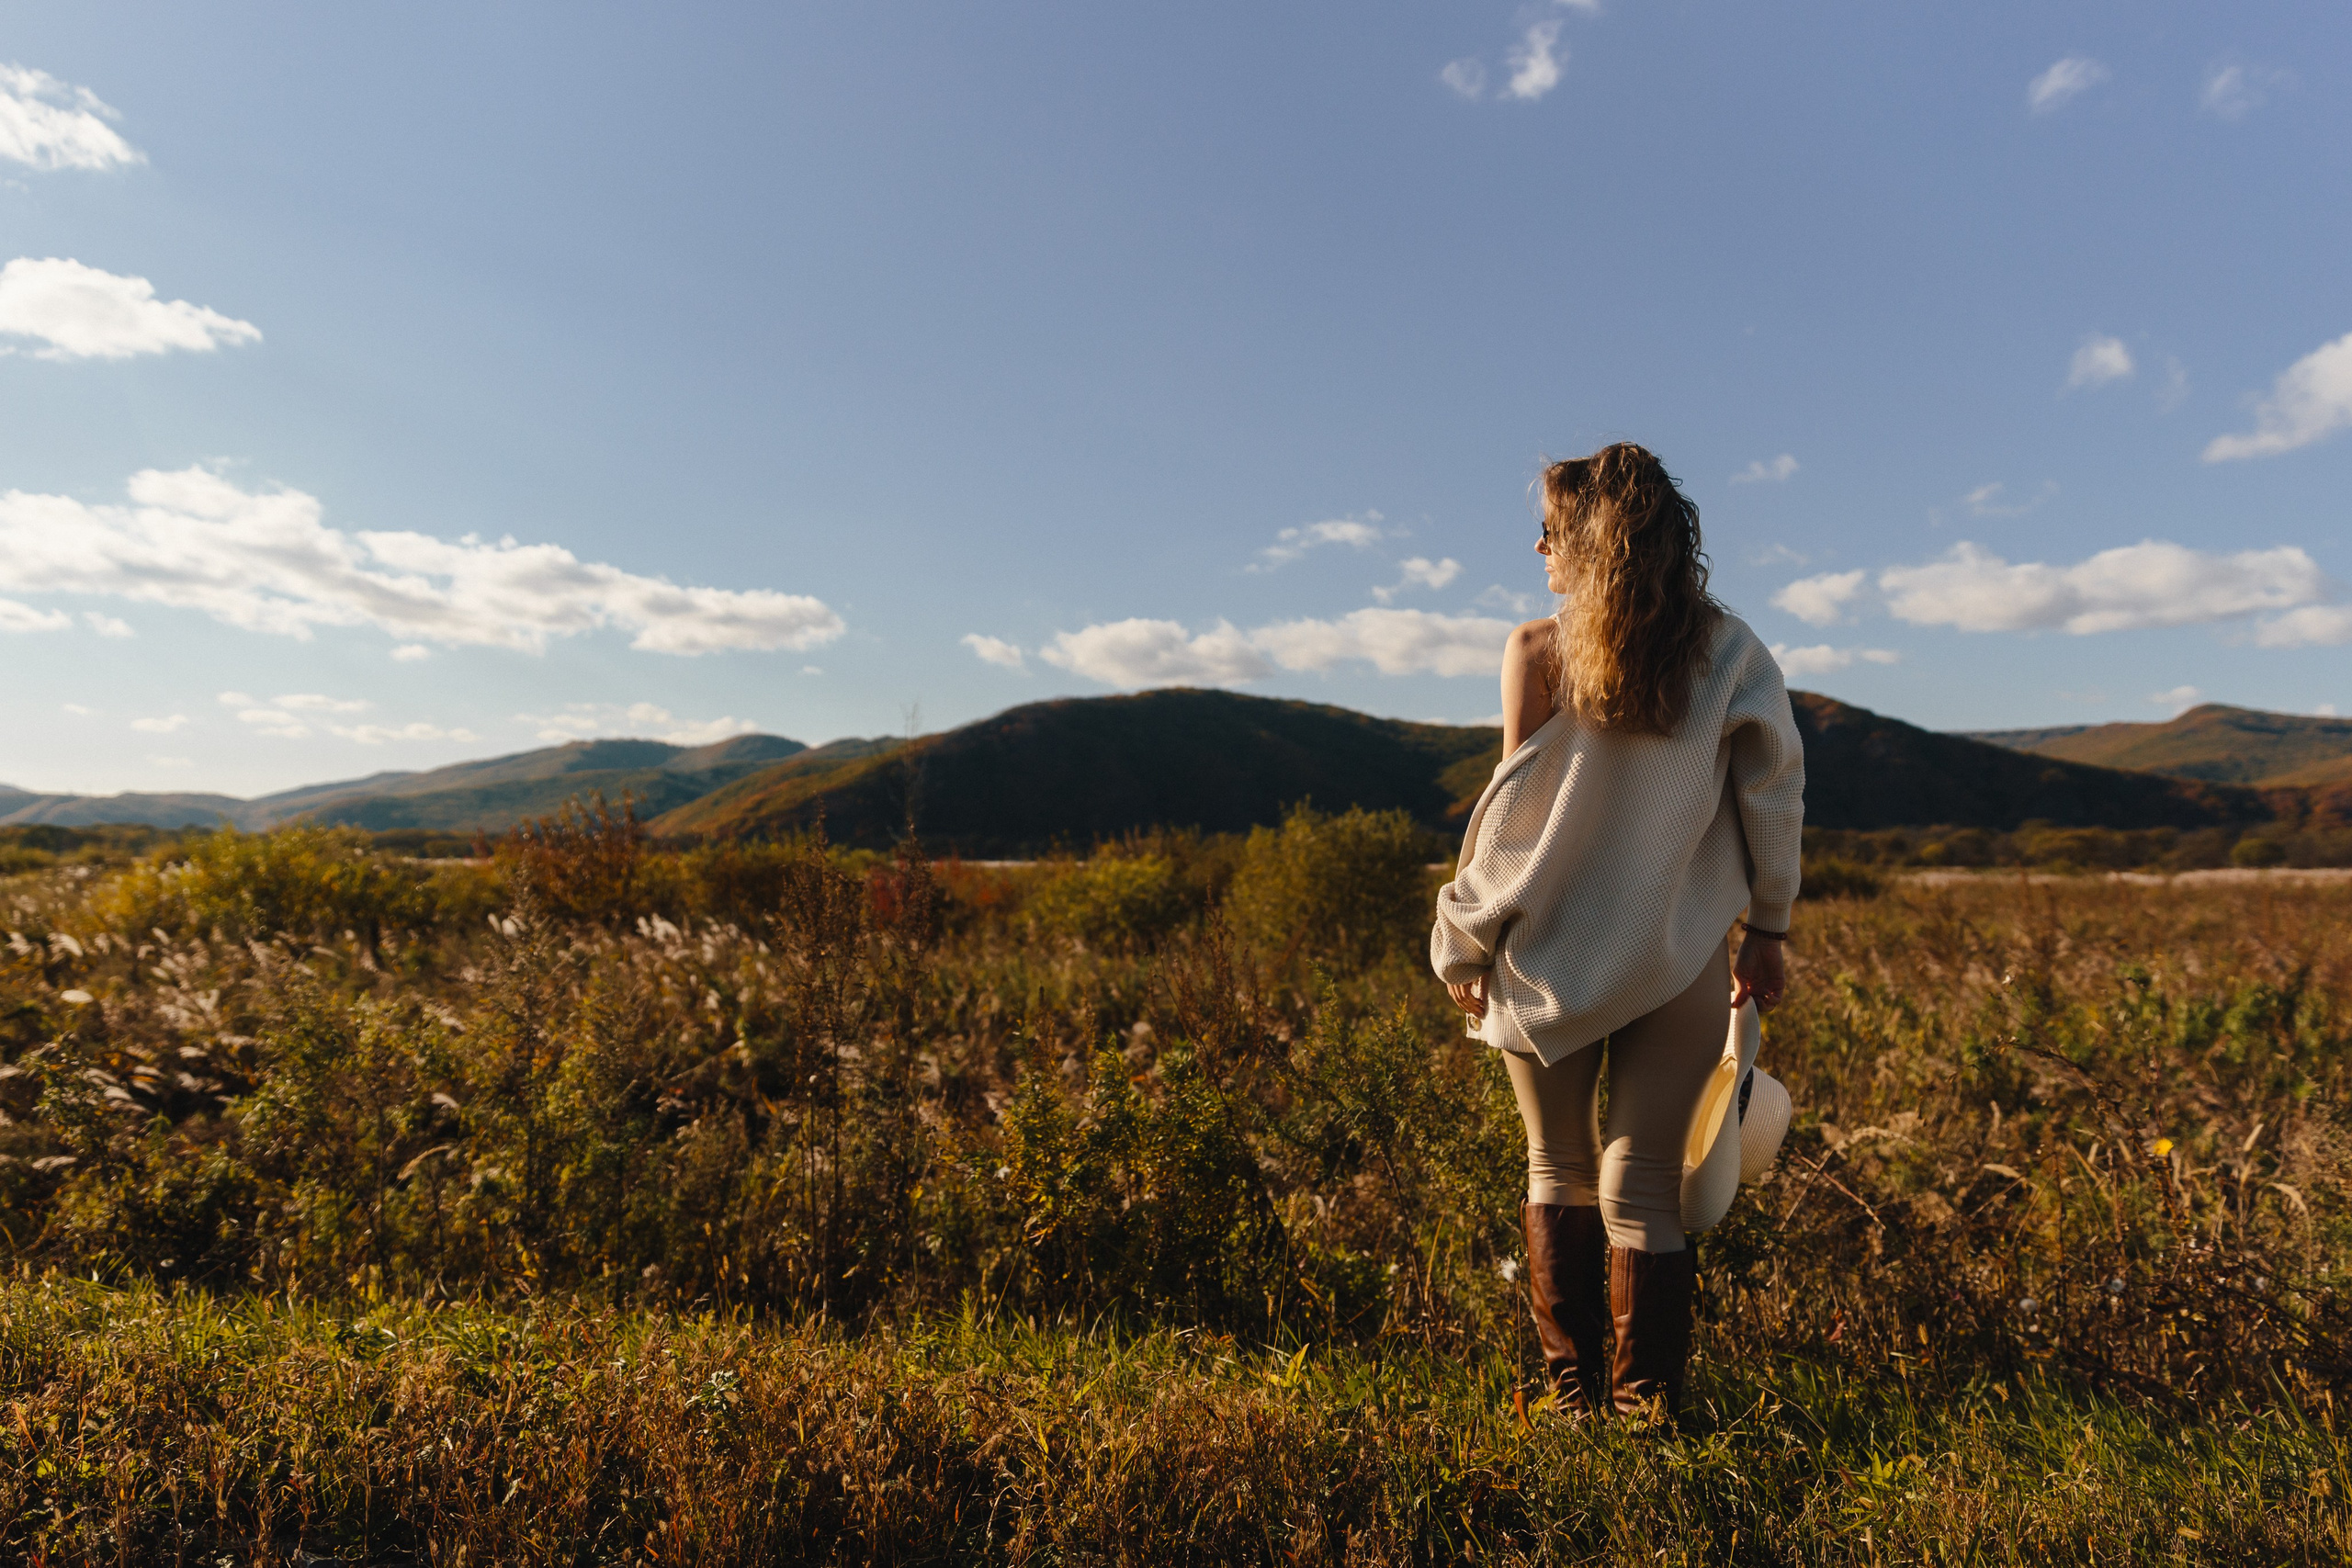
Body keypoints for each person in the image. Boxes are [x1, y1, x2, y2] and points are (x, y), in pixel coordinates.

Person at [1430, 443, 1804, 1424]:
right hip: (1674, 955)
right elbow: (1774, 799)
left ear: (1587, 542)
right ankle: (1648, 1415)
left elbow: (1511, 827)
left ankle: (1572, 1405)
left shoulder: (1536, 651)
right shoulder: (1733, 654)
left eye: (1550, 530)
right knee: (1643, 1188)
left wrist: (1461, 939)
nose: (1537, 546)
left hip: (1545, 953)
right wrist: (1768, 927)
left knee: (1556, 1166)